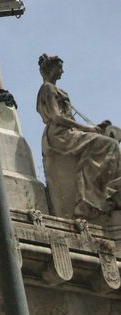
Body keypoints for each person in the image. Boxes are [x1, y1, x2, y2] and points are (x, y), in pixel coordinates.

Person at [36, 54, 121, 220]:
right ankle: (91, 198)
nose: (63, 71)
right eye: (60, 68)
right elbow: (56, 117)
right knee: (108, 144)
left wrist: (93, 128)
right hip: (60, 134)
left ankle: (98, 194)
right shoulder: (48, 88)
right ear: (51, 69)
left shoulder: (53, 89)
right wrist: (88, 129)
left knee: (108, 142)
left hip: (66, 131)